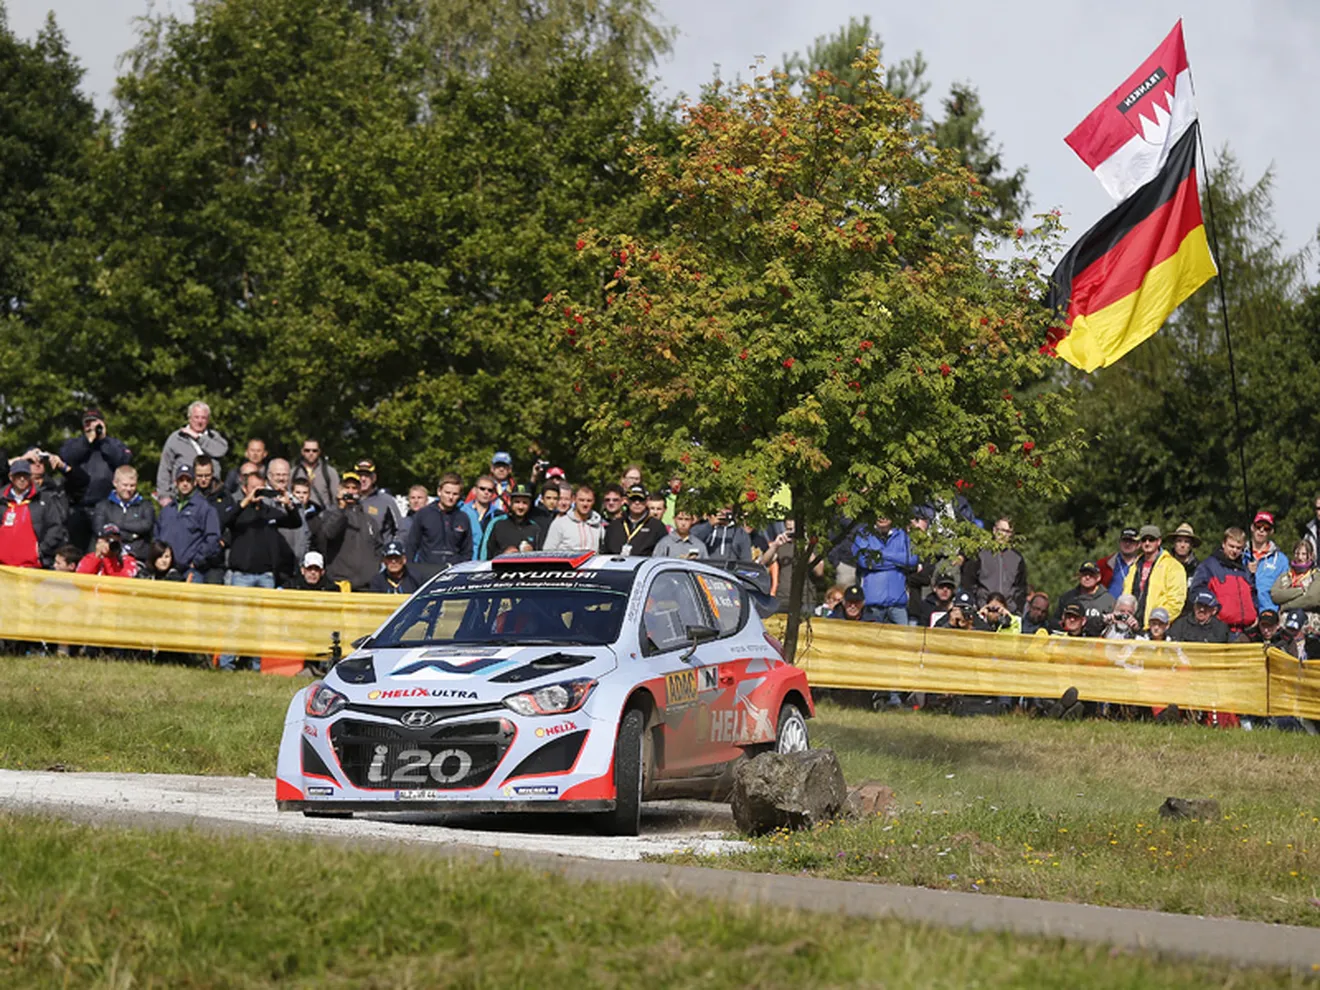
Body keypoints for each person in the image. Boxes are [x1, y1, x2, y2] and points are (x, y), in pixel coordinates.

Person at [59, 407, 132, 549]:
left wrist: (103, 440)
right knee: (76, 550)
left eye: (95, 422)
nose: (91, 426)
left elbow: (123, 460)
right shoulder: (75, 443)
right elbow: (66, 458)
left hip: (105, 506)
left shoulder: (113, 444)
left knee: (100, 549)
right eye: (87, 423)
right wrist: (87, 441)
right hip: (78, 505)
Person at [226, 470, 301, 590]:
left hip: (266, 576)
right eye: (254, 488)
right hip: (242, 576)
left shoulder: (269, 512)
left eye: (261, 488)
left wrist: (289, 505)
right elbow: (225, 521)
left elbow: (295, 523)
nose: (257, 492)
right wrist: (246, 501)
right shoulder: (238, 511)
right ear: (245, 489)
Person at [312, 470, 384, 590]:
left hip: (366, 585)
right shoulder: (330, 513)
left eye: (354, 488)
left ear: (359, 491)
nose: (350, 491)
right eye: (347, 487)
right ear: (340, 489)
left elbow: (378, 547)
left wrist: (373, 572)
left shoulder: (369, 520)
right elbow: (328, 534)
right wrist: (341, 508)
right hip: (340, 583)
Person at [154, 463, 222, 580]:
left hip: (191, 571)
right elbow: (156, 536)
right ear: (176, 482)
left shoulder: (205, 508)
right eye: (181, 480)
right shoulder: (167, 510)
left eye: (188, 480)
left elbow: (212, 538)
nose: (185, 484)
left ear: (194, 482)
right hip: (166, 570)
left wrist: (197, 561)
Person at [155, 401, 229, 503]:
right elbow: (165, 468)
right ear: (189, 418)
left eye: (203, 418)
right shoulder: (176, 438)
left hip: (211, 495)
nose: (200, 421)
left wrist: (198, 438)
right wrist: (164, 495)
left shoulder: (213, 437)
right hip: (182, 495)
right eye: (196, 417)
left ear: (208, 420)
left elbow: (221, 451)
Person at [0, 458, 66, 568]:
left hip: (33, 566)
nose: (22, 479)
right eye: (18, 475)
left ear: (30, 476)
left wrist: (41, 550)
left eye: (25, 475)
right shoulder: (2, 500)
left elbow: (55, 527)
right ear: (11, 477)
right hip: (3, 567)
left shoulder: (44, 498)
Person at [1190, 527, 1257, 633]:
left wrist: (1255, 612)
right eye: (1231, 546)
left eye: (1238, 548)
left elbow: (1253, 594)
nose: (1234, 551)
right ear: (1223, 544)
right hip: (1218, 629)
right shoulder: (1209, 566)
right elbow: (1196, 592)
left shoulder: (1245, 570)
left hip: (1246, 631)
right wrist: (1214, 608)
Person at [852, 517, 917, 625]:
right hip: (872, 605)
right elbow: (864, 561)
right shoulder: (863, 534)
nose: (882, 517)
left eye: (887, 514)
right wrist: (897, 562)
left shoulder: (903, 534)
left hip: (898, 605)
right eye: (879, 514)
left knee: (903, 640)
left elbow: (911, 559)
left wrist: (882, 554)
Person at [1120, 525, 1187, 629]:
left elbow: (1176, 602)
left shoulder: (1173, 566)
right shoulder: (1135, 565)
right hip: (1132, 626)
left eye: (1151, 540)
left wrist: (1156, 622)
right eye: (1144, 540)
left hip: (1157, 629)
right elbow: (1126, 596)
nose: (1147, 543)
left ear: (1159, 541)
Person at [404, 472, 472, 568]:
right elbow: (411, 546)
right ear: (439, 492)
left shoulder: (463, 518)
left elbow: (467, 551)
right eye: (447, 493)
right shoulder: (424, 514)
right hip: (426, 571)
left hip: (453, 572)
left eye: (455, 494)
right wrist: (410, 570)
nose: (451, 497)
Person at [962, 517, 1028, 613]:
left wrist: (1017, 608)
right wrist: (976, 605)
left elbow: (1021, 588)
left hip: (1008, 612)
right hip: (984, 609)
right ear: (994, 530)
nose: (1004, 535)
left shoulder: (1017, 558)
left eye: (1008, 532)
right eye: (1001, 530)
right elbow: (968, 582)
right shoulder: (980, 554)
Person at [89, 465, 155, 561]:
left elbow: (146, 526)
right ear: (115, 483)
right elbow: (99, 529)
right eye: (125, 485)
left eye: (132, 485)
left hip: (138, 556)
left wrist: (117, 526)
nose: (129, 489)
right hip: (109, 556)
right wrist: (132, 535)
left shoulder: (145, 505)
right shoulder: (103, 505)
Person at [1269, 539, 1320, 652]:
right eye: (1297, 553)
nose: (1300, 557)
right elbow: (1275, 594)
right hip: (1285, 626)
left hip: (1309, 627)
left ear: (1310, 556)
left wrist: (1286, 605)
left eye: (1303, 554)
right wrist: (1299, 591)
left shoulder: (1316, 576)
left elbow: (1312, 599)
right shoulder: (1285, 576)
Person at [765, 519, 824, 613]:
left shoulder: (813, 545)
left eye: (795, 529)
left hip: (805, 599)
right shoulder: (782, 545)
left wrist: (806, 546)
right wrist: (775, 545)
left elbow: (819, 571)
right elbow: (764, 562)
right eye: (789, 529)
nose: (792, 532)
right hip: (782, 598)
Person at [603, 485, 667, 557]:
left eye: (641, 499)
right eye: (633, 499)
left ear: (647, 501)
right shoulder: (614, 525)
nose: (637, 503)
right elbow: (605, 553)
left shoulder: (657, 527)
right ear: (626, 500)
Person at [1055, 561, 1115, 636]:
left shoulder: (1108, 600)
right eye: (1084, 574)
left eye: (1091, 574)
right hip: (1070, 643)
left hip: (1098, 644)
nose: (1087, 577)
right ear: (1079, 576)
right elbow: (1056, 622)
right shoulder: (1067, 597)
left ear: (1098, 577)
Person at [483, 482, 543, 556]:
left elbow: (541, 556)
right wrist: (504, 555)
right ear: (510, 502)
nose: (520, 507)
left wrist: (532, 553)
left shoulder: (534, 528)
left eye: (525, 503)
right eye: (517, 502)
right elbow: (485, 555)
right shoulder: (497, 524)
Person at [1246, 511, 1289, 614]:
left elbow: (1285, 589)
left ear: (1271, 532)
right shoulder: (1240, 554)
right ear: (1252, 527)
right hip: (1245, 610)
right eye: (1258, 526)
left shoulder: (1281, 559)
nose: (1261, 531)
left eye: (1266, 528)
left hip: (1269, 612)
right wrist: (1246, 571)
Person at [543, 484, 604, 552]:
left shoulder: (599, 525)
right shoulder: (559, 524)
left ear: (593, 501)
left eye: (589, 501)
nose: (585, 504)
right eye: (581, 500)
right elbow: (547, 552)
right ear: (574, 500)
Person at [353, 459, 403, 542]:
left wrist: (392, 550)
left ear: (374, 478)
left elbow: (400, 529)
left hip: (380, 552)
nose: (363, 479)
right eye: (360, 475)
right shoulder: (348, 501)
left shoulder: (387, 501)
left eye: (367, 475)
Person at [460, 474, 505, 559]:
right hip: (465, 563)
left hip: (488, 564)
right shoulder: (462, 511)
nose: (486, 492)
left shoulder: (499, 515)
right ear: (474, 490)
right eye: (482, 489)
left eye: (490, 490)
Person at [291, 438, 339, 510]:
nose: (311, 453)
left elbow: (336, 497)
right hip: (299, 515)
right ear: (302, 452)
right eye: (307, 450)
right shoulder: (294, 472)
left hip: (324, 516)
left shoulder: (329, 472)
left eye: (314, 450)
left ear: (319, 452)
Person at [1099, 528, 1141, 600]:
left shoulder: (1143, 564)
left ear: (1138, 544)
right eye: (1124, 540)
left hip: (1134, 608)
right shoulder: (1105, 563)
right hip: (1109, 609)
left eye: (1131, 541)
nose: (1127, 544)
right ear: (1119, 542)